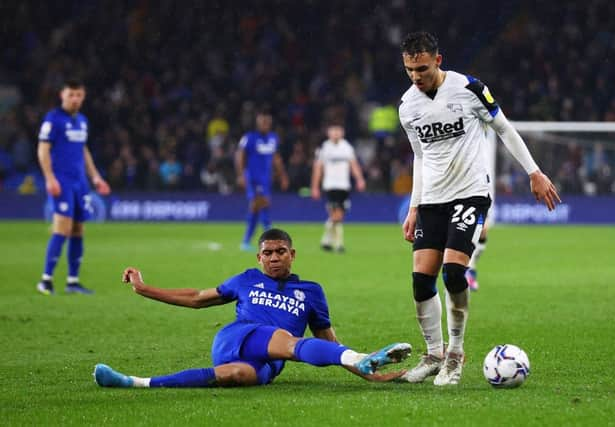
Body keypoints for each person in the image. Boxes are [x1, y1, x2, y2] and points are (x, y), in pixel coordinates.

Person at [397, 32, 561, 385]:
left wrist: (534, 172)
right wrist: (414, 207)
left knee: (454, 274)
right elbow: (420, 157)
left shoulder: (468, 88)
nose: (416, 76)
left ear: (437, 61)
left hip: (470, 193)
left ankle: (455, 355)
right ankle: (433, 353)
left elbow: (504, 129)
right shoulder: (407, 106)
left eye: (422, 68)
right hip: (432, 199)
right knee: (420, 282)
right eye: (410, 69)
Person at [93, 228, 411, 388]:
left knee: (237, 375)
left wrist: (367, 376)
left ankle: (134, 382)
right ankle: (364, 358)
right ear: (259, 258)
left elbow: (329, 343)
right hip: (238, 337)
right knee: (285, 337)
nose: (274, 258)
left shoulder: (311, 292)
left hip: (268, 363)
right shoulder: (246, 279)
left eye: (281, 252)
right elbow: (196, 298)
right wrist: (143, 287)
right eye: (268, 253)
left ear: (293, 254)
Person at [36, 80, 111, 295]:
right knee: (62, 227)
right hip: (62, 181)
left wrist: (96, 177)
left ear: (83, 96)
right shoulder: (53, 119)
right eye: (71, 95)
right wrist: (50, 179)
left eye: (79, 95)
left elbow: (83, 151)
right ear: (62, 95)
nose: (75, 99)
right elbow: (42, 150)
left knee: (78, 229)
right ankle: (46, 280)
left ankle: (72, 281)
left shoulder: (82, 121)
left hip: (80, 183)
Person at [235, 110, 289, 251]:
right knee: (261, 203)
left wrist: (282, 175)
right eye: (262, 122)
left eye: (267, 122)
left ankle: (247, 241)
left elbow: (276, 158)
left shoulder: (273, 138)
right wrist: (241, 175)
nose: (265, 124)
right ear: (257, 123)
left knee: (257, 207)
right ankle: (270, 237)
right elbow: (240, 156)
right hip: (253, 178)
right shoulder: (249, 138)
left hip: (266, 179)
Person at [311, 124, 366, 253]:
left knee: (338, 215)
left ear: (342, 132)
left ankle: (326, 240)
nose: (335, 133)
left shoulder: (346, 147)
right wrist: (315, 187)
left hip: (344, 186)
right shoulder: (324, 148)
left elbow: (354, 165)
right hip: (330, 186)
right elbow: (318, 168)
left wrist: (359, 179)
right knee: (336, 214)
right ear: (328, 132)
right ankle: (339, 244)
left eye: (338, 130)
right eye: (333, 130)